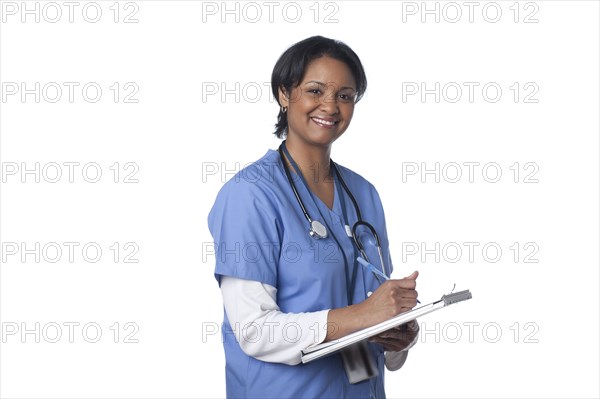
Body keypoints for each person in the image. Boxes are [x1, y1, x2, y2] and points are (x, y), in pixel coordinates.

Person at [208, 35, 420, 398]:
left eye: (344, 95)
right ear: (284, 94)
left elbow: (374, 307)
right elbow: (254, 331)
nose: (330, 106)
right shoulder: (250, 195)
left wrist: (399, 335)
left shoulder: (364, 194)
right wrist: (363, 316)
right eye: (315, 90)